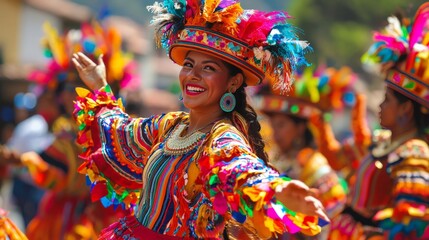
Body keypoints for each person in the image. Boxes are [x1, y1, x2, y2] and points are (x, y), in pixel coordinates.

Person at [71, 0, 330, 239]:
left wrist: (276, 190)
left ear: (233, 82)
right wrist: (101, 87)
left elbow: (239, 168)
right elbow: (123, 133)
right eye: (188, 65)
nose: (192, 75)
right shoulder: (171, 125)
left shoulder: (221, 137)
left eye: (208, 68)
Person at [0, 21, 137, 239]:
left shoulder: (116, 130)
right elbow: (55, 172)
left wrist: (23, 162)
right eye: (65, 88)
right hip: (64, 218)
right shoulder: (66, 131)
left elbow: (61, 175)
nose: (67, 95)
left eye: (76, 87)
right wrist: (22, 162)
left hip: (99, 222)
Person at [329, 3, 429, 239]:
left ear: (405, 109)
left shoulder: (415, 153)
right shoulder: (383, 142)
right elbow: (336, 157)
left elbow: (410, 223)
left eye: (387, 100)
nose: (381, 106)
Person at [253, 66, 354, 239]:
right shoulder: (272, 159)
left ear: (300, 128)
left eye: (282, 125)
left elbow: (329, 221)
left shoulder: (315, 165)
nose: (276, 132)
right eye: (274, 125)